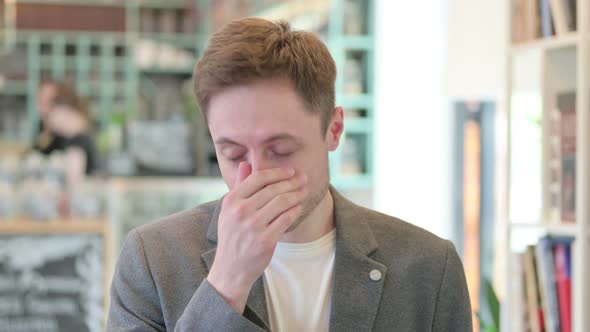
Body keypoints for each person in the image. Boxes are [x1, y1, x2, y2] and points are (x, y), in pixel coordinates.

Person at [107, 18, 472, 331]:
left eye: (281, 150)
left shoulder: (428, 268)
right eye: (232, 153)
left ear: (333, 129)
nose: (256, 175)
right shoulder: (152, 261)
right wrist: (226, 284)